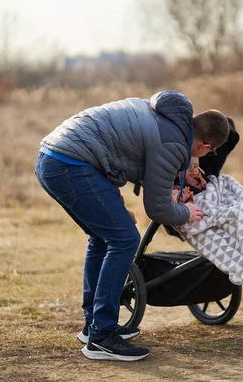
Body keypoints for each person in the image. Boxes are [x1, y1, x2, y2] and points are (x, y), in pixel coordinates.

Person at [34, 90, 230, 361]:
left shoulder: (168, 118)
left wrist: (112, 205)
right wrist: (186, 212)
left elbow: (117, 154)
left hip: (54, 157)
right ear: (206, 147)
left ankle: (94, 326)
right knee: (125, 240)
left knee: (103, 237)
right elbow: (158, 209)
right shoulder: (173, 143)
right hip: (70, 164)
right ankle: (102, 337)